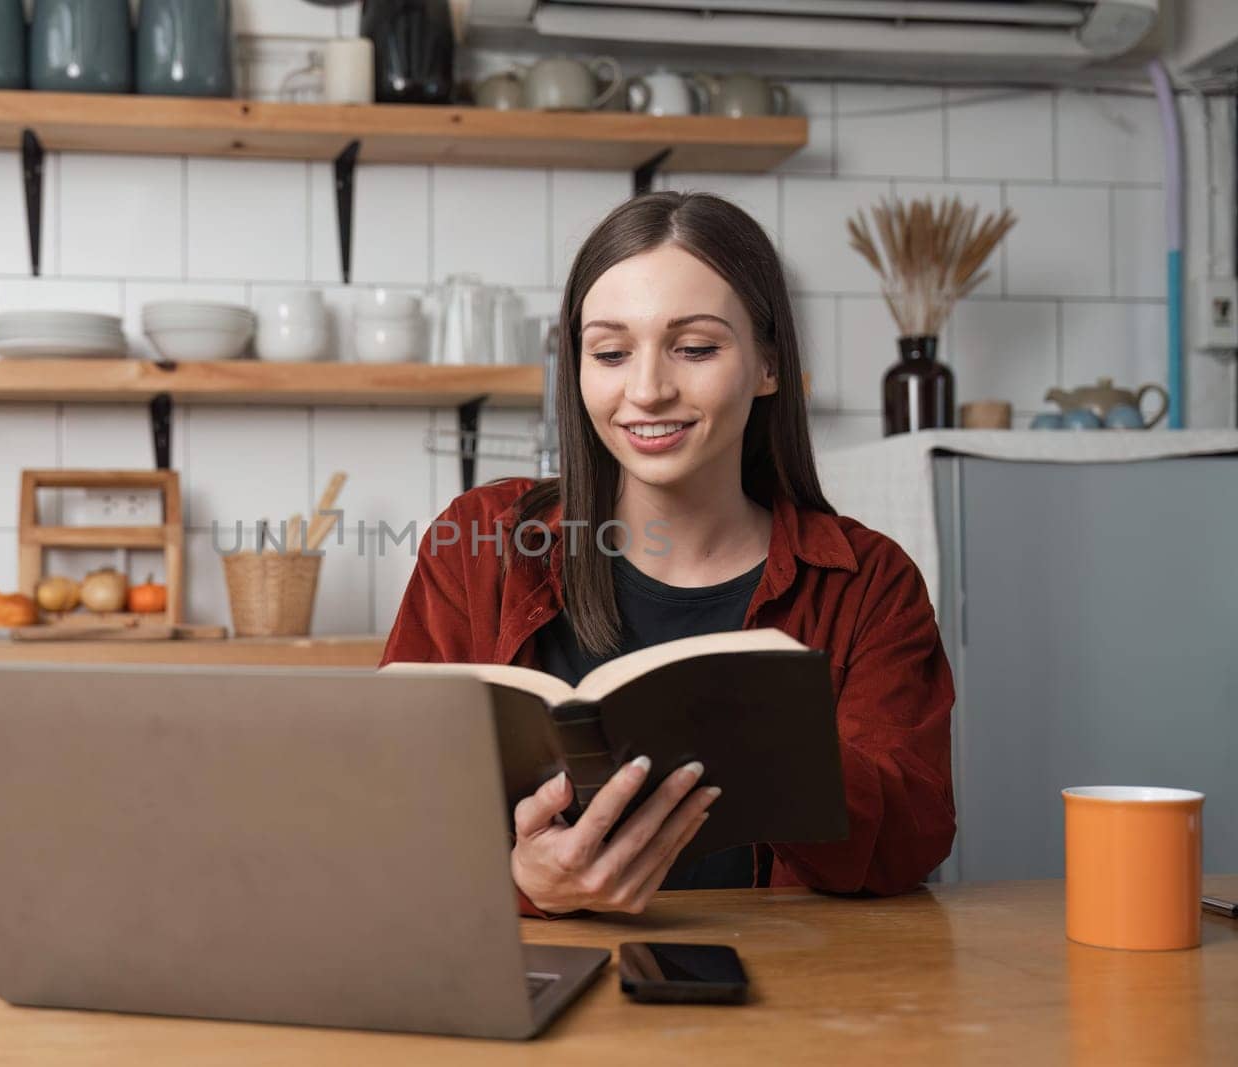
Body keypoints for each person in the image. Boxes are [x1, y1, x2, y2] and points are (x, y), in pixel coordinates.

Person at [379, 192, 955, 918]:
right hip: (535, 991)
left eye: (696, 347)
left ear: (769, 364)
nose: (647, 390)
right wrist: (522, 883)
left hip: (789, 1003)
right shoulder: (483, 543)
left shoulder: (868, 582)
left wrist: (773, 746)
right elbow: (389, 821)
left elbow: (913, 839)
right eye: (611, 352)